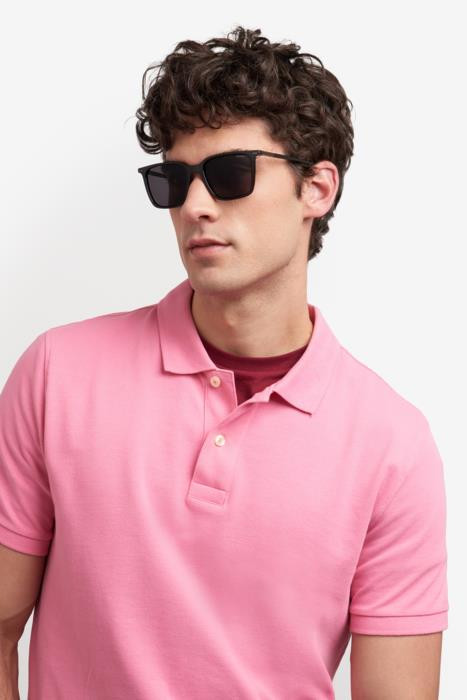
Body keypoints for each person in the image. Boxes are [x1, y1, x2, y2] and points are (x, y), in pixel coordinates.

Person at [0, 25, 448, 700]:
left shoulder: (393, 445)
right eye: (174, 180)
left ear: (316, 188)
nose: (195, 206)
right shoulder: (57, 374)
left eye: (230, 174)